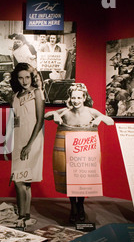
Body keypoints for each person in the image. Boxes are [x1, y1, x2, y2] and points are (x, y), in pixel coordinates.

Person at [44, 83, 114, 223]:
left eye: (79, 98)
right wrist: (54, 115)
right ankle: (73, 206)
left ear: (84, 98)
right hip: (66, 146)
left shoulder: (90, 111)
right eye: (73, 97)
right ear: (70, 98)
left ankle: (80, 205)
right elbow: (46, 115)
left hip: (85, 149)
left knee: (81, 177)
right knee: (70, 176)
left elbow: (110, 121)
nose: (76, 101)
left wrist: (100, 118)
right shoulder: (66, 111)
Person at [7, 63, 45, 229]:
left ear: (32, 77)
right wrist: (10, 143)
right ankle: (26, 216)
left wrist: (29, 145)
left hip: (33, 139)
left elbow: (40, 120)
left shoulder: (37, 93)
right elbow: (14, 121)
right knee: (23, 181)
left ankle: (22, 216)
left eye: (27, 77)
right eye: (21, 77)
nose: (24, 81)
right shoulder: (15, 96)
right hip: (18, 139)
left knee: (19, 180)